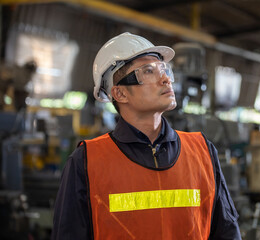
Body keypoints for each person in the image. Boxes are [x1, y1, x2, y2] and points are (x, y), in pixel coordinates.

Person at [51, 32, 241, 240]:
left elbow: (227, 233)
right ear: (120, 94)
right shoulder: (86, 161)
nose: (166, 79)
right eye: (148, 72)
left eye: (164, 69)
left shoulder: (203, 151)